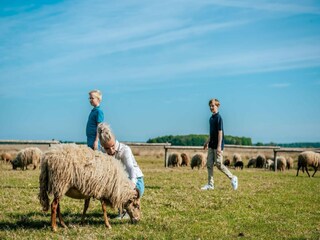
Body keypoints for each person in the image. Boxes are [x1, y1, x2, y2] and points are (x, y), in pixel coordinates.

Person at [97, 122, 144, 219]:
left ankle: (129, 212)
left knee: (128, 195)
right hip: (119, 181)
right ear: (102, 146)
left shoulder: (124, 150)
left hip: (134, 179)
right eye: (107, 148)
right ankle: (121, 211)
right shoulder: (101, 152)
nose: (111, 150)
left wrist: (132, 187)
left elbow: (131, 170)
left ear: (115, 141)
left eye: (113, 146)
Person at [201, 98, 238, 190]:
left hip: (218, 146)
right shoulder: (211, 119)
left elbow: (220, 133)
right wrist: (206, 142)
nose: (211, 107)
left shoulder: (219, 118)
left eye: (213, 105)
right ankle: (210, 184)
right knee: (209, 164)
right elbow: (212, 134)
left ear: (217, 106)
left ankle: (233, 178)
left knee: (218, 164)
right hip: (211, 145)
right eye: (210, 106)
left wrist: (219, 146)